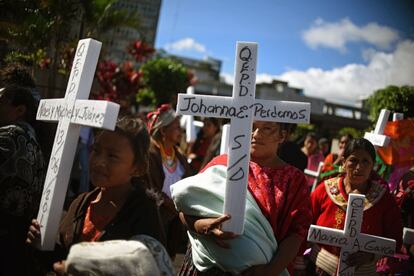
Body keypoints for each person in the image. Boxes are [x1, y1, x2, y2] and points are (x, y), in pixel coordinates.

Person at [26, 116, 166, 274]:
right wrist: (42, 243)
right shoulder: (81, 203)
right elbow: (64, 255)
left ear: (137, 168)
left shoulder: (143, 213)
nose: (99, 161)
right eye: (96, 150)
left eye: (112, 156)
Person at [172, 121, 312, 275]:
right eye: (251, 127)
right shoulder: (221, 164)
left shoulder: (293, 180)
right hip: (204, 269)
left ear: (282, 136)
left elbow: (297, 233)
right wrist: (201, 225)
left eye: (267, 128)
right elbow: (185, 208)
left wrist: (268, 271)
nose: (256, 134)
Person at [309, 138, 403, 275]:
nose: (359, 167)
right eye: (353, 160)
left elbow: (395, 239)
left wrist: (371, 255)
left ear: (373, 166)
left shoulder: (384, 200)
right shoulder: (324, 190)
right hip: (319, 269)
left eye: (366, 161)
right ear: (343, 162)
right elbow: (302, 224)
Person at [0, 85, 46, 275]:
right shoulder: (34, 142)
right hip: (19, 240)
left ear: (20, 110)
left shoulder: (9, 136)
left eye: (1, 101)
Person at [146, 104, 194, 257]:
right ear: (163, 130)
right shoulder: (151, 154)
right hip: (153, 217)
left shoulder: (179, 156)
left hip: (173, 220)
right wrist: (172, 205)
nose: (180, 132)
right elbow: (149, 187)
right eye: (176, 128)